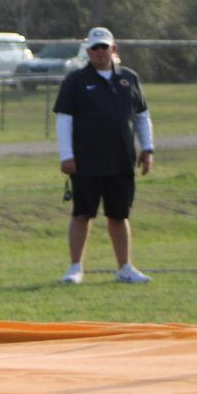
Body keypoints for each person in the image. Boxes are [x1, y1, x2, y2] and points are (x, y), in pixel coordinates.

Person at [54, 27, 154, 285]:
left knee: (119, 215)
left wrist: (147, 148)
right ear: (88, 51)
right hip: (86, 160)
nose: (100, 52)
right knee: (82, 213)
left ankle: (124, 267)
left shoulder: (129, 79)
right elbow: (64, 120)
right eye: (95, 48)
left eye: (104, 47)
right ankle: (75, 267)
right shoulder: (76, 81)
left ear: (114, 49)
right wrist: (67, 155)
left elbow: (142, 116)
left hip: (121, 159)